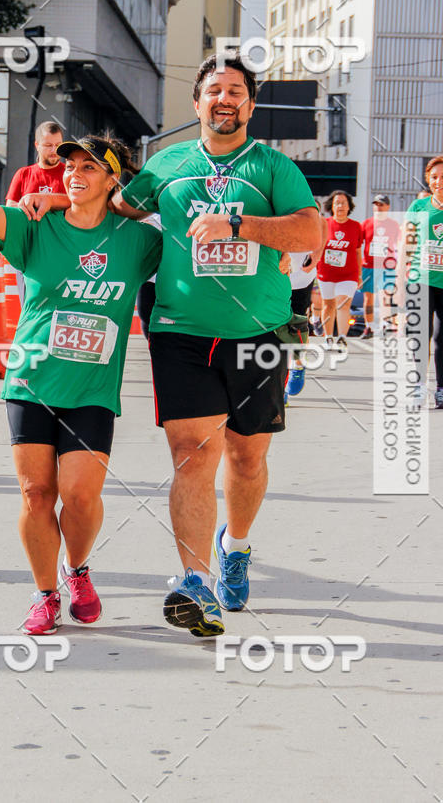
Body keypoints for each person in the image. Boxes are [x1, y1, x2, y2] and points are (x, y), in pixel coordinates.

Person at [109, 53, 321, 636]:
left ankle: (236, 544)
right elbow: (113, 210)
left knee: (246, 457)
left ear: (250, 105)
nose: (224, 99)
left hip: (260, 334)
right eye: (214, 90)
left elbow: (310, 231)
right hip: (181, 332)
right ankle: (194, 582)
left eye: (235, 91)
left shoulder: (273, 167)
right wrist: (56, 200)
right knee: (192, 455)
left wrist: (239, 225)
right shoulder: (166, 164)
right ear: (197, 102)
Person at [0, 123, 162, 633]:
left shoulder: (139, 240)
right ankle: (45, 595)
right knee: (37, 494)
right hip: (30, 380)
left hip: (92, 389)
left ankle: (77, 569)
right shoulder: (35, 225)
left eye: (89, 167)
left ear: (113, 180)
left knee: (81, 494)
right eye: (69, 166)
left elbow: (181, 231)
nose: (73, 173)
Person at [3, 121, 67, 302]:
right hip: (29, 252)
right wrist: (3, 243)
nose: (54, 150)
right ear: (37, 145)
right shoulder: (23, 174)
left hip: (61, 250)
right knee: (30, 303)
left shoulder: (70, 175)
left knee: (60, 305)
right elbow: (10, 214)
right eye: (48, 145)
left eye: (58, 145)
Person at [398, 156, 443, 409]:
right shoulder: (418, 207)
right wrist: (398, 283)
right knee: (419, 335)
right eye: (434, 177)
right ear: (428, 179)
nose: (439, 182)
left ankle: (441, 389)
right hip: (419, 280)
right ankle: (419, 387)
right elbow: (405, 245)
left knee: (441, 338)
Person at [285, 217, 328, 400]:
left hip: (301, 275)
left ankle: (297, 364)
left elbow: (322, 223)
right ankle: (279, 385)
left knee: (296, 324)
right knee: (274, 327)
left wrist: (317, 254)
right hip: (274, 272)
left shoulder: (301, 202)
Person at [316, 190, 363, 348]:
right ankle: (328, 337)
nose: (340, 206)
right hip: (326, 273)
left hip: (348, 274)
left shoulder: (356, 226)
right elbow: (317, 247)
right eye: (337, 203)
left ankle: (342, 337)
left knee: (342, 303)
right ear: (332, 206)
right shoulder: (324, 223)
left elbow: (358, 251)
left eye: (344, 203)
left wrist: (360, 274)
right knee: (328, 305)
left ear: (349, 206)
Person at [359, 194, 400, 339]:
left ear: (388, 207)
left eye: (381, 204)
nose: (378, 207)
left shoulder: (394, 225)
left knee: (385, 297)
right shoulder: (366, 223)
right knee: (368, 298)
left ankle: (385, 325)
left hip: (386, 266)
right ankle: (369, 327)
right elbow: (357, 245)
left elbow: (399, 244)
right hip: (368, 266)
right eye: (376, 204)